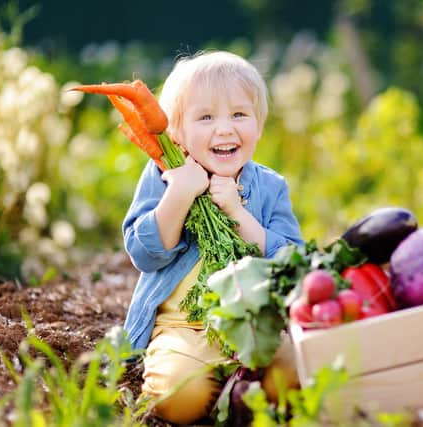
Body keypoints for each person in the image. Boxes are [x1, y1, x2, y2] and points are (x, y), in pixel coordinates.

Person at [121, 50, 304, 424]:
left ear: (259, 125)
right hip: (184, 328)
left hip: (256, 326)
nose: (224, 129)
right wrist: (179, 194)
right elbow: (144, 254)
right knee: (176, 395)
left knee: (299, 371)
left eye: (239, 114)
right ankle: (223, 392)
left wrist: (239, 214)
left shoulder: (270, 187)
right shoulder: (163, 176)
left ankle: (237, 391)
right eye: (205, 117)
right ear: (177, 132)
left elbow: (293, 263)